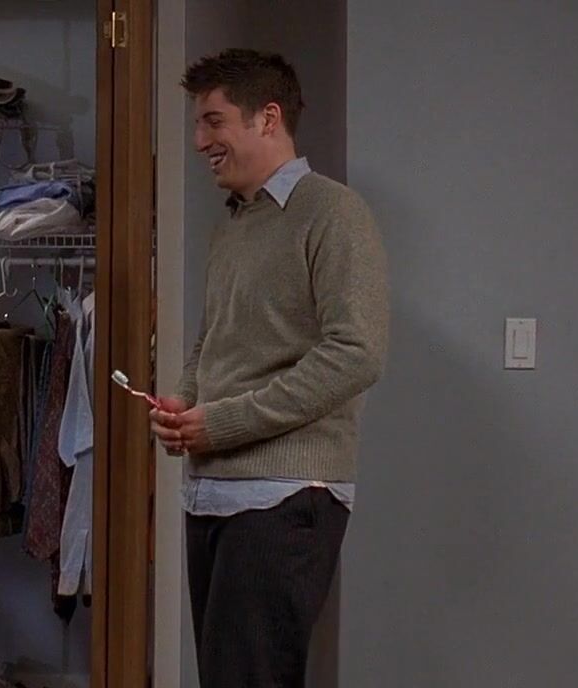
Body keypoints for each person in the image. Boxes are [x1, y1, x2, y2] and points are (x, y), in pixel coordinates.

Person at [150, 50, 389, 687]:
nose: (199, 142)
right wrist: (185, 402)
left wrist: (221, 422)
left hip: (285, 497)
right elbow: (214, 338)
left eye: (213, 122)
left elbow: (356, 352)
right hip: (213, 492)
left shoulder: (334, 212)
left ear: (268, 118)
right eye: (198, 125)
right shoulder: (233, 224)